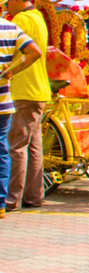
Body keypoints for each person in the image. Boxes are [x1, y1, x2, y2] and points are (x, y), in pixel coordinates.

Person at [4, 0, 48, 213]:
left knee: (17, 146)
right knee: (33, 147)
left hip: (23, 89)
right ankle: (33, 196)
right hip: (39, 89)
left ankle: (12, 198)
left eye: (6, 3)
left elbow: (11, 52)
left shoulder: (20, 21)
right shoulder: (38, 16)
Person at [0, 17, 42, 218]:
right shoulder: (10, 27)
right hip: (4, 101)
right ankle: (1, 202)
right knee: (4, 151)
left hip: (19, 96)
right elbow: (35, 51)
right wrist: (10, 72)